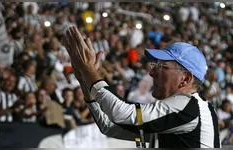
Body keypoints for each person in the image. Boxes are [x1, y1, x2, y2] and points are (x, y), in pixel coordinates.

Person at [63, 26, 220, 148]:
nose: (151, 73)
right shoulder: (174, 118)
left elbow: (121, 113)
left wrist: (89, 71)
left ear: (185, 78)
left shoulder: (190, 107)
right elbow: (109, 126)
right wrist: (85, 81)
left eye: (162, 66)